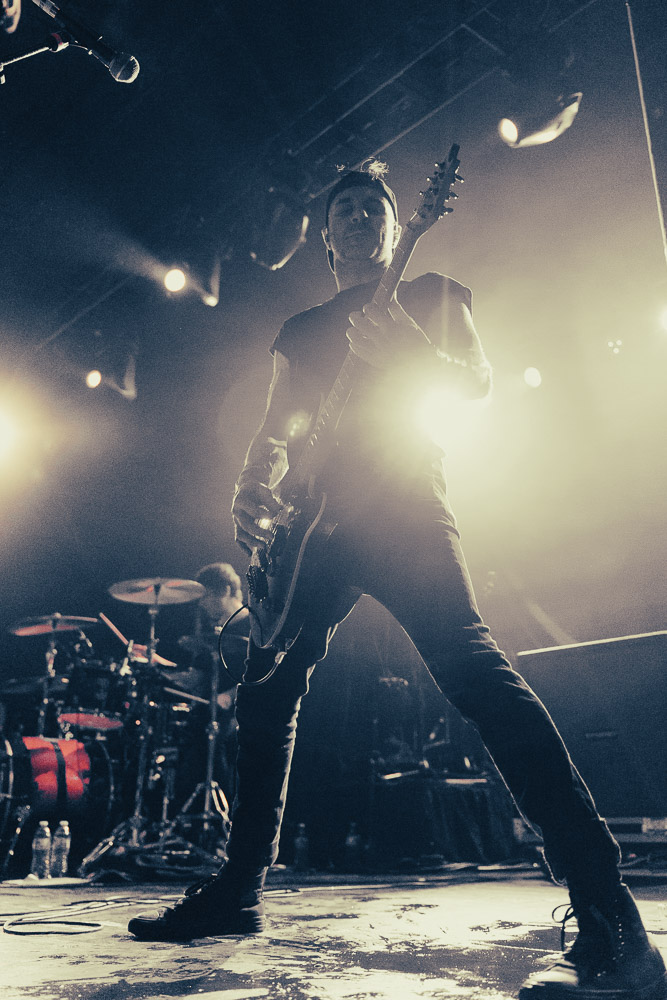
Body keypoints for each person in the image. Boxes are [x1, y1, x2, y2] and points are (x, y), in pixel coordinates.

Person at [128, 163, 666, 1000]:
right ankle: (238, 890)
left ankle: (605, 904)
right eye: (342, 208)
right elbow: (272, 434)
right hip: (310, 535)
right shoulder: (300, 327)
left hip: (404, 509)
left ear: (393, 226)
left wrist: (408, 349)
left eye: (371, 208)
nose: (357, 219)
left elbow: (475, 387)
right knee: (264, 697)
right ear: (325, 234)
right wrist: (248, 489)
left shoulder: (433, 292)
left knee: (474, 673)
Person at [170, 562, 249, 807]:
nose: (201, 604)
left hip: (239, 717)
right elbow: (197, 678)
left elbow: (268, 675)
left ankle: (222, 824)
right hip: (209, 714)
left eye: (205, 596)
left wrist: (230, 695)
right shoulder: (210, 636)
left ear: (225, 590)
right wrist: (158, 668)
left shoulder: (254, 627)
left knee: (219, 749)